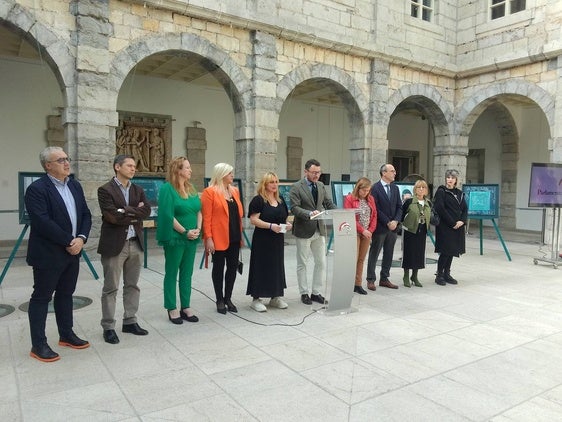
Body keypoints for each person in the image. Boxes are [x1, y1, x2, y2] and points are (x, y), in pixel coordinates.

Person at [24, 146, 92, 362]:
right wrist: (69, 241)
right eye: (60, 159)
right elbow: (42, 221)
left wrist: (80, 238)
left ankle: (67, 334)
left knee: (66, 294)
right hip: (49, 254)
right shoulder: (37, 189)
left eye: (66, 158)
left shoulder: (74, 185)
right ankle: (39, 345)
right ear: (48, 165)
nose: (66, 162)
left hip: (73, 251)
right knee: (42, 298)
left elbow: (85, 214)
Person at [97, 154, 152, 344]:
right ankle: (109, 327)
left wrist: (125, 211)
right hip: (114, 246)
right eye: (129, 165)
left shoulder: (138, 189)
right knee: (111, 287)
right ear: (117, 167)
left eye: (134, 166)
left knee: (132, 285)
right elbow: (111, 216)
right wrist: (134, 211)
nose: (133, 168)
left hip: (135, 243)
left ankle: (130, 321)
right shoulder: (105, 190)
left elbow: (146, 211)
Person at [157, 157, 202, 324]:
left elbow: (199, 210)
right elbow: (168, 215)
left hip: (192, 237)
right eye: (187, 168)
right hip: (176, 237)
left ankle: (186, 306)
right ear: (178, 170)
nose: (190, 170)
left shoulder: (191, 188)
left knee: (187, 273)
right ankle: (171, 307)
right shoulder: (167, 189)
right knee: (172, 272)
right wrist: (185, 232)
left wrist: (198, 228)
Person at [290, 159, 337, 305]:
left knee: (321, 263)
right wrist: (309, 213)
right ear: (306, 172)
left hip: (319, 229)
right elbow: (294, 208)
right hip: (303, 229)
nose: (317, 175)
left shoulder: (321, 186)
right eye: (314, 172)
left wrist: (341, 213)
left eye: (319, 172)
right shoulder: (297, 187)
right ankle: (304, 293)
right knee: (302, 263)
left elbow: (328, 203)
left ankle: (316, 292)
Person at [246, 172, 292, 312]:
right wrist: (271, 226)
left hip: (277, 240)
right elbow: (254, 220)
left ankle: (275, 296)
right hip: (262, 240)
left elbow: (283, 218)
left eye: (276, 182)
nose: (274, 185)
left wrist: (287, 225)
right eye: (271, 182)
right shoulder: (258, 200)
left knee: (276, 267)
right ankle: (256, 298)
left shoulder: (281, 200)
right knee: (261, 267)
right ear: (264, 184)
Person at [202, 163, 244, 314]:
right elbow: (206, 218)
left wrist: (241, 234)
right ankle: (219, 299)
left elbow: (238, 215)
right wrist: (208, 238)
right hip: (218, 237)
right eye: (229, 173)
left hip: (234, 235)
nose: (232, 176)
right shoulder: (210, 192)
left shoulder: (234, 191)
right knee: (218, 268)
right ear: (221, 174)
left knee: (232, 268)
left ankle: (228, 298)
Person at [366, 164, 402, 290]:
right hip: (381, 227)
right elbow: (375, 209)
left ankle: (384, 278)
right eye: (392, 171)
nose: (395, 173)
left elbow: (399, 206)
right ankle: (370, 279)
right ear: (384, 173)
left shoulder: (395, 188)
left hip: (393, 228)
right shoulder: (375, 188)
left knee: (389, 253)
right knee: (374, 253)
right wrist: (388, 222)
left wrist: (396, 221)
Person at [433, 169, 468, 285]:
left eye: (452, 178)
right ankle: (439, 274)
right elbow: (440, 208)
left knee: (452, 251)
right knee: (445, 251)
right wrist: (453, 222)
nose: (450, 180)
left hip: (458, 227)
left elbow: (465, 209)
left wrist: (462, 221)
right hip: (446, 227)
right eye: (448, 177)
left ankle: (447, 274)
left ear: (456, 180)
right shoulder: (441, 191)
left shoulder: (459, 193)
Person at [343, 177, 377, 295]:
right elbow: (349, 217)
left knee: (361, 259)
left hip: (367, 233)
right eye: (363, 190)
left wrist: (370, 230)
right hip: (355, 232)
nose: (365, 193)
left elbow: (374, 216)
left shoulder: (371, 199)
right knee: (354, 258)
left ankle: (358, 284)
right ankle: (347, 284)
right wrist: (362, 230)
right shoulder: (350, 199)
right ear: (358, 188)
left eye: (368, 190)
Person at [401, 179, 431, 288]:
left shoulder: (428, 203)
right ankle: (406, 275)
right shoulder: (409, 201)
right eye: (419, 187)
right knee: (409, 253)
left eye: (424, 187)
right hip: (410, 230)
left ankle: (415, 276)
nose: (421, 189)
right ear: (415, 189)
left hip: (422, 230)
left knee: (419, 253)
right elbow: (401, 214)